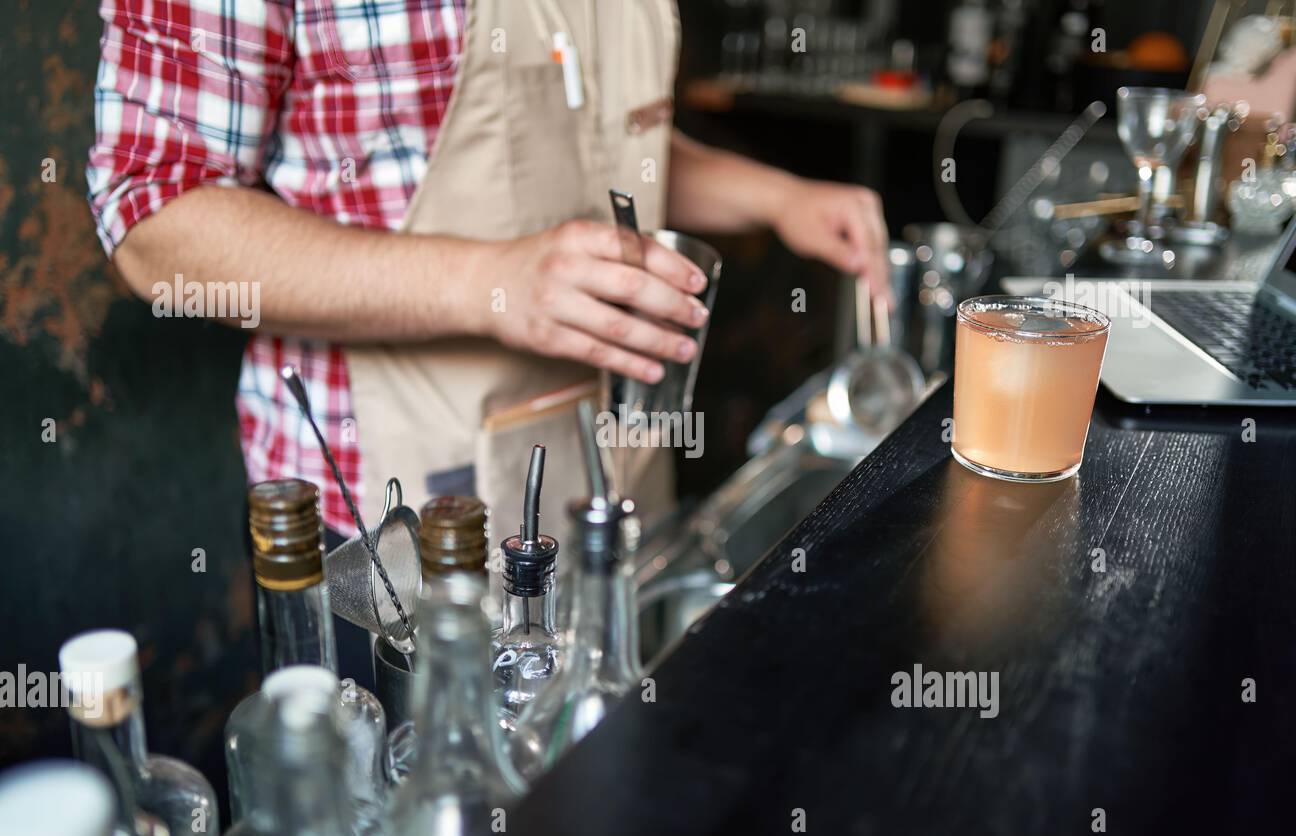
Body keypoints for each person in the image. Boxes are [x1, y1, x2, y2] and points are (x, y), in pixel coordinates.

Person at [87, 0, 889, 578]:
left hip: (618, 473)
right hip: (390, 519)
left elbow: (598, 143)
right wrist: (492, 283)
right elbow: (155, 225)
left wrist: (779, 198)